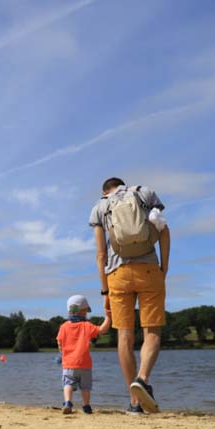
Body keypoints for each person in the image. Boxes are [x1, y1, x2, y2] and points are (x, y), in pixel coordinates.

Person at [89, 177, 170, 415]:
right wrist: (163, 268)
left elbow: (100, 255)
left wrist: (105, 291)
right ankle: (142, 379)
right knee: (152, 331)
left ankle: (134, 403)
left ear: (105, 191)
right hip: (148, 269)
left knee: (124, 336)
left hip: (117, 275)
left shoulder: (100, 207)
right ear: (123, 185)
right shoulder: (145, 193)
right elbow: (164, 233)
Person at [56, 294, 112, 415]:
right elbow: (102, 329)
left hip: (69, 364)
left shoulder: (63, 327)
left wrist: (61, 353)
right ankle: (86, 406)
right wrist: (108, 317)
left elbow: (59, 342)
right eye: (86, 311)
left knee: (68, 384)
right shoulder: (87, 326)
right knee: (86, 387)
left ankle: (67, 402)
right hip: (85, 364)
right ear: (83, 311)